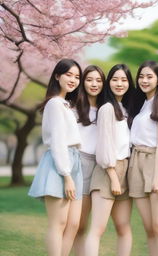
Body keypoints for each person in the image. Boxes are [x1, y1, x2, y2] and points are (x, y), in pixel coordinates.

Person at [28, 58, 83, 256]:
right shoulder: (54, 104)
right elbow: (58, 141)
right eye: (69, 75)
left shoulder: (67, 105)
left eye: (77, 77)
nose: (73, 80)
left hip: (74, 161)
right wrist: (66, 175)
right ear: (57, 76)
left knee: (73, 223)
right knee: (58, 223)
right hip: (61, 164)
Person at [128, 60, 158, 256]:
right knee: (149, 228)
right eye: (141, 76)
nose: (144, 80)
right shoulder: (142, 105)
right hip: (136, 162)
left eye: (149, 76)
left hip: (155, 162)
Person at [84, 64, 134, 256]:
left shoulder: (126, 109)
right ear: (108, 83)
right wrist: (113, 177)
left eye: (123, 80)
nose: (119, 84)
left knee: (124, 227)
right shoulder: (106, 109)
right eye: (115, 79)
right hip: (107, 171)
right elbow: (104, 146)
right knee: (98, 229)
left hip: (125, 170)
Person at [73, 65, 105, 256]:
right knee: (79, 224)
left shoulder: (107, 108)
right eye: (89, 79)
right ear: (83, 82)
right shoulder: (74, 107)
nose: (94, 84)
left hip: (101, 166)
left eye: (99, 80)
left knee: (94, 226)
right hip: (80, 164)